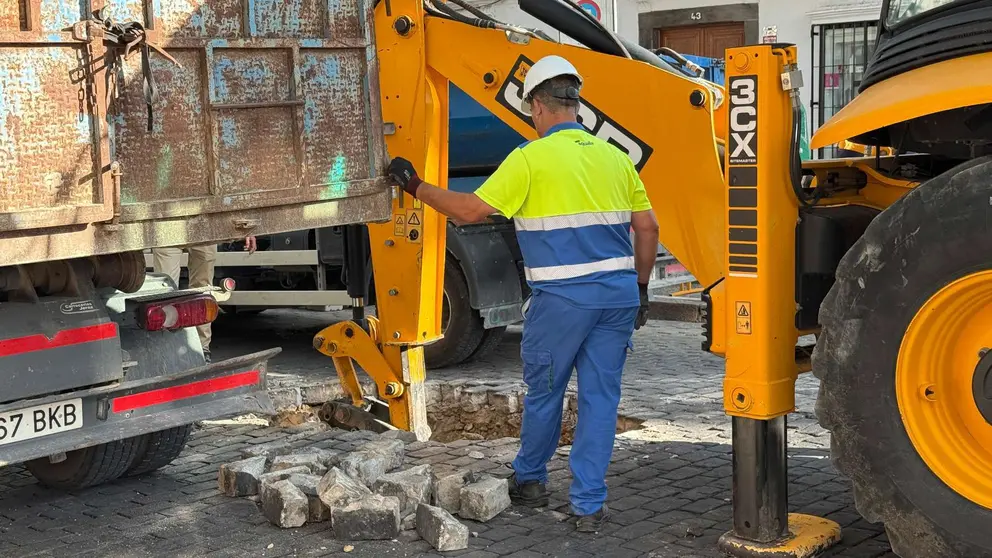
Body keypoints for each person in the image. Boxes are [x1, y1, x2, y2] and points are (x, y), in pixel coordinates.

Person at [385, 55, 659, 532]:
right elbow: (648, 228)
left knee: (546, 393)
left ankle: (530, 480)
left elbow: (469, 211)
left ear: (536, 106)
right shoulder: (616, 158)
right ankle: (588, 505)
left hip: (562, 302)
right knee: (600, 400)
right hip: (617, 299)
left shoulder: (529, 159)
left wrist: (414, 185)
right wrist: (639, 286)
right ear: (576, 106)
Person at [152, 236, 256, 363]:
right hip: (168, 229)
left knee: (202, 290)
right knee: (165, 289)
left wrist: (247, 231)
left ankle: (201, 347)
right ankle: (165, 348)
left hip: (203, 230)